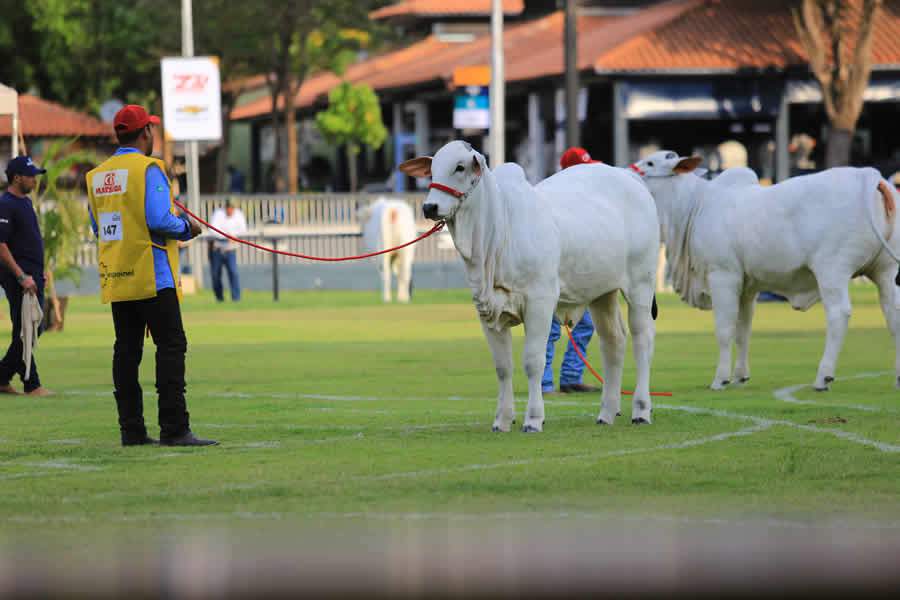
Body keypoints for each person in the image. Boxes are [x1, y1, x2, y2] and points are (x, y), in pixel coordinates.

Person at [86, 104, 216, 447]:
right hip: (154, 276)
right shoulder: (149, 169)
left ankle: (132, 430)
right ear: (146, 132)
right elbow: (159, 220)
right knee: (171, 346)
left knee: (126, 352)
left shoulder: (97, 176)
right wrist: (188, 227)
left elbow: (97, 226)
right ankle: (174, 428)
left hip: (118, 275)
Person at [542, 147, 601, 395]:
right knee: (550, 329)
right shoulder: (552, 198)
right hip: (555, 275)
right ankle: (544, 384)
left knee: (586, 324)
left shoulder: (584, 200)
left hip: (579, 277)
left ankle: (570, 377)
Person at [0, 156, 52, 396]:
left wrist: (41, 271)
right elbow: (1, 245)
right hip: (19, 276)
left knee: (27, 329)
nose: (34, 179)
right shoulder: (6, 204)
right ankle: (31, 383)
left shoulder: (26, 203)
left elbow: (29, 240)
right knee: (30, 328)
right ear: (17, 177)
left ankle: (7, 379)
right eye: (30, 175)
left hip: (33, 274)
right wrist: (21, 276)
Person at [209, 199, 247, 302]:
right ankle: (219, 298)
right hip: (217, 248)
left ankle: (236, 298)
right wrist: (226, 236)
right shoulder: (218, 214)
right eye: (228, 207)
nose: (230, 210)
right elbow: (213, 230)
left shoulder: (239, 215)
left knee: (233, 272)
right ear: (225, 207)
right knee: (215, 274)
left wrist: (233, 236)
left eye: (232, 208)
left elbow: (243, 230)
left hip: (230, 249)